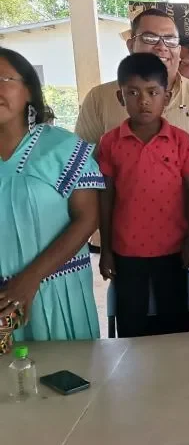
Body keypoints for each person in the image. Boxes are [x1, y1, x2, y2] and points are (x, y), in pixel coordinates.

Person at [75, 8, 189, 201]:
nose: (162, 47)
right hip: (125, 224)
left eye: (170, 40)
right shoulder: (99, 99)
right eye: (150, 38)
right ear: (131, 45)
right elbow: (83, 170)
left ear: (178, 50)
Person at [0, 47, 103, 341]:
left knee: (64, 375)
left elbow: (87, 219)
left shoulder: (63, 148)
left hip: (54, 290)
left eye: (3, 79)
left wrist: (29, 279)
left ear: (29, 91)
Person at [97, 54, 189, 337]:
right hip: (126, 252)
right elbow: (105, 196)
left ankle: (174, 377)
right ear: (121, 98)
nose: (143, 101)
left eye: (152, 92)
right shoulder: (110, 142)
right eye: (133, 93)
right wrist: (105, 249)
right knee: (130, 322)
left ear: (166, 97)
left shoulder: (180, 140)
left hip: (173, 249)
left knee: (174, 320)